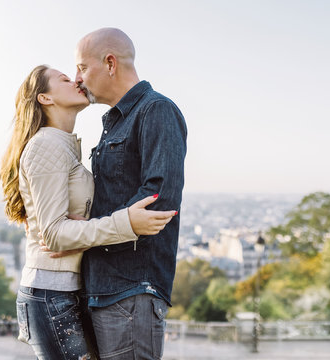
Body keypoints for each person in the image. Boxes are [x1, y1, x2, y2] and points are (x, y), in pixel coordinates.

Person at [0, 65, 177, 360]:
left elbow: (61, 231)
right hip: (51, 293)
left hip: (60, 292)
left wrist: (84, 233)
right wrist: (126, 223)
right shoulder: (47, 145)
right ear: (45, 98)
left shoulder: (61, 145)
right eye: (66, 79)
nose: (77, 80)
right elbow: (54, 235)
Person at [72, 28, 188, 359]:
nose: (76, 78)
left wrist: (87, 233)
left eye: (82, 67)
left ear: (110, 63)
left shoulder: (156, 111)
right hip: (107, 287)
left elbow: (158, 201)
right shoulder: (116, 122)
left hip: (132, 288)